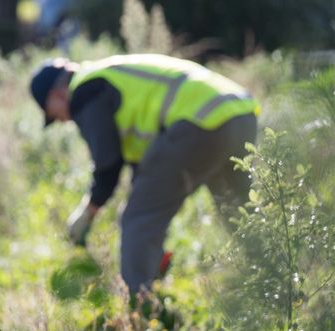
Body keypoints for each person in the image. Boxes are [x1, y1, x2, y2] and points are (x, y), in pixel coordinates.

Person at [30, 53, 259, 296]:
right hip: (238, 112)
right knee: (238, 211)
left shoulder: (84, 91)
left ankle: (140, 308)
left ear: (56, 95)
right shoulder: (107, 74)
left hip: (198, 122)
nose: (62, 120)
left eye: (53, 114)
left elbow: (108, 163)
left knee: (138, 219)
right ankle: (278, 281)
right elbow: (145, 166)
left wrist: (88, 212)